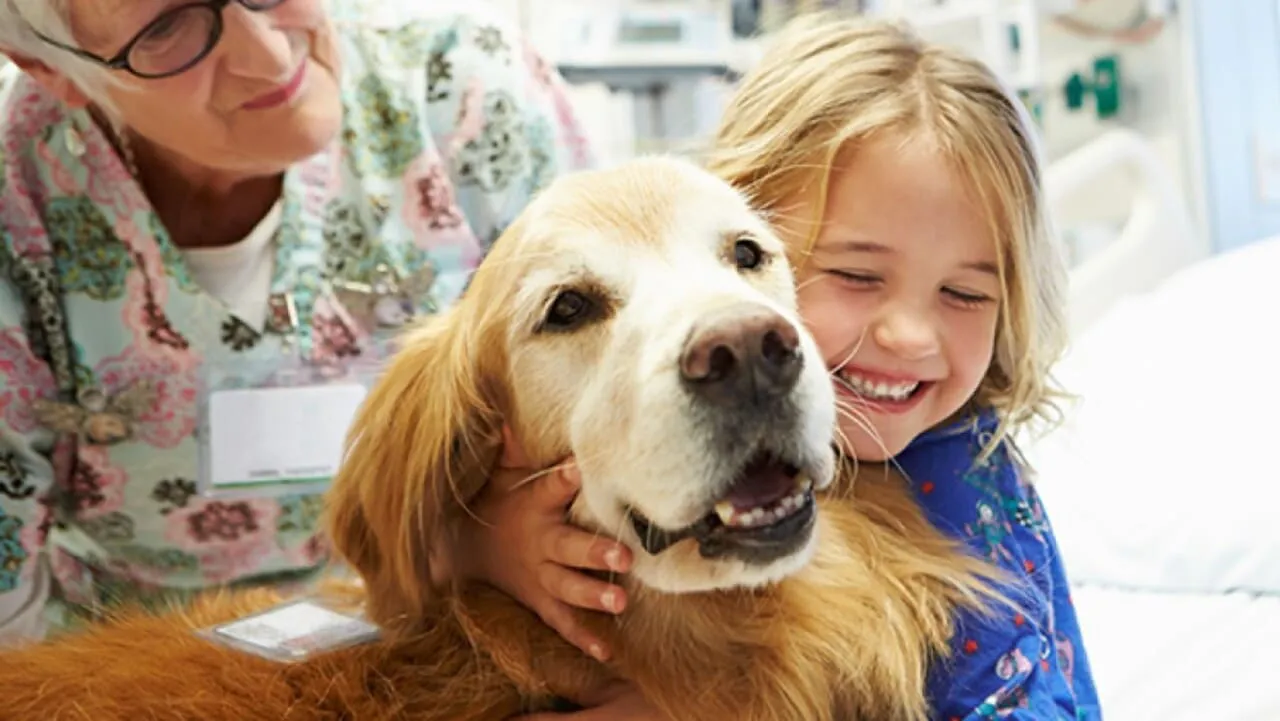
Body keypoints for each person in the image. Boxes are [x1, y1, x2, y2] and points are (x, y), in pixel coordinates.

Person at [452, 13, 1103, 721]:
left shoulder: (962, 482)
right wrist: (482, 542)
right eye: (856, 275)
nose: (911, 335)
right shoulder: (693, 414)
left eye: (964, 293)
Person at [0, 0, 593, 642]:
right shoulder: (21, 206)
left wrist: (476, 543)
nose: (270, 57)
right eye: (167, 28)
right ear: (49, 68)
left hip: (465, 621)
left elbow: (623, 401)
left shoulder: (466, 91)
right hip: (141, 663)